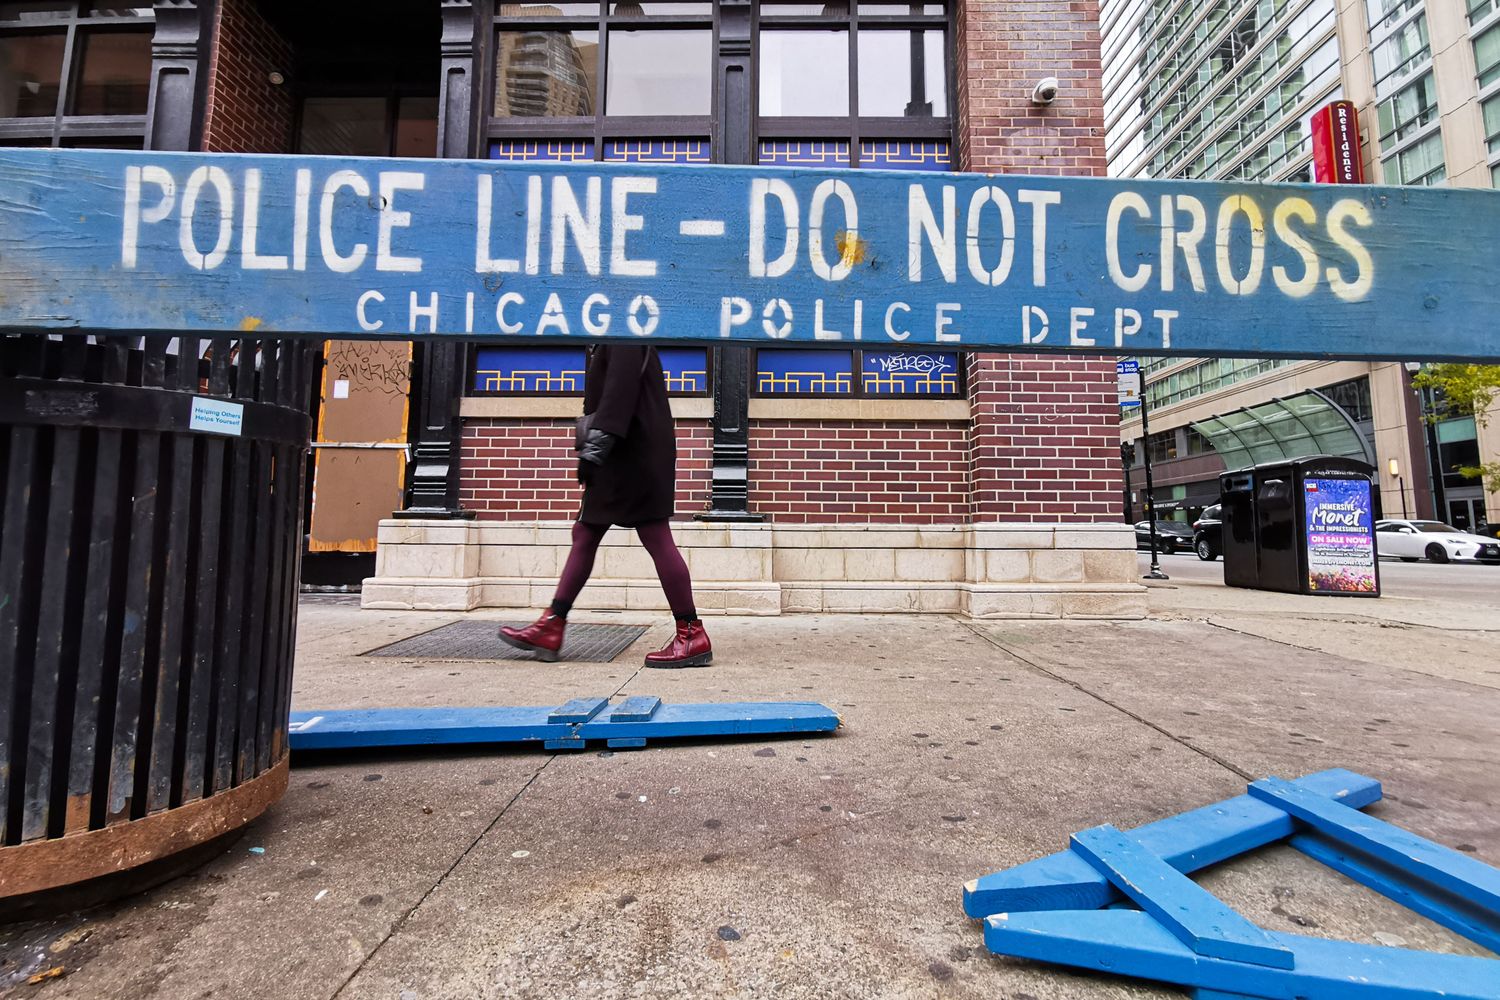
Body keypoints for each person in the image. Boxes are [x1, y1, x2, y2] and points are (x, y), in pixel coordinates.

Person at [499, 344, 712, 668]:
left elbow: (619, 394)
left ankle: (691, 633)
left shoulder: (624, 331)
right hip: (622, 453)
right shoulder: (609, 331)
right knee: (585, 532)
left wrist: (593, 451)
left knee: (655, 536)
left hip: (631, 455)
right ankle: (552, 624)